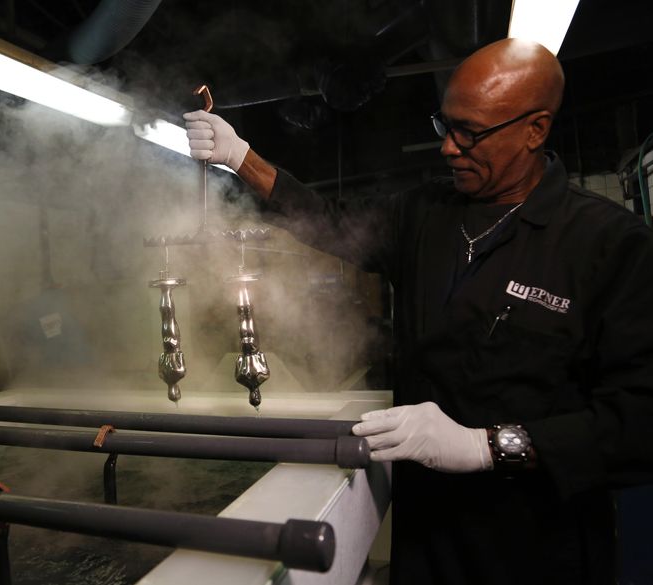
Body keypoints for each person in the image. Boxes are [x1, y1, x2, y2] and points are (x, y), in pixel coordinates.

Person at [184, 38, 653, 585]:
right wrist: (241, 158)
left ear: (535, 130)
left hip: (537, 547)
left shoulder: (609, 246)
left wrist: (486, 446)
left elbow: (640, 423)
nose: (449, 148)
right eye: (445, 126)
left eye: (469, 133)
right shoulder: (425, 213)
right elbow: (332, 223)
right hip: (427, 536)